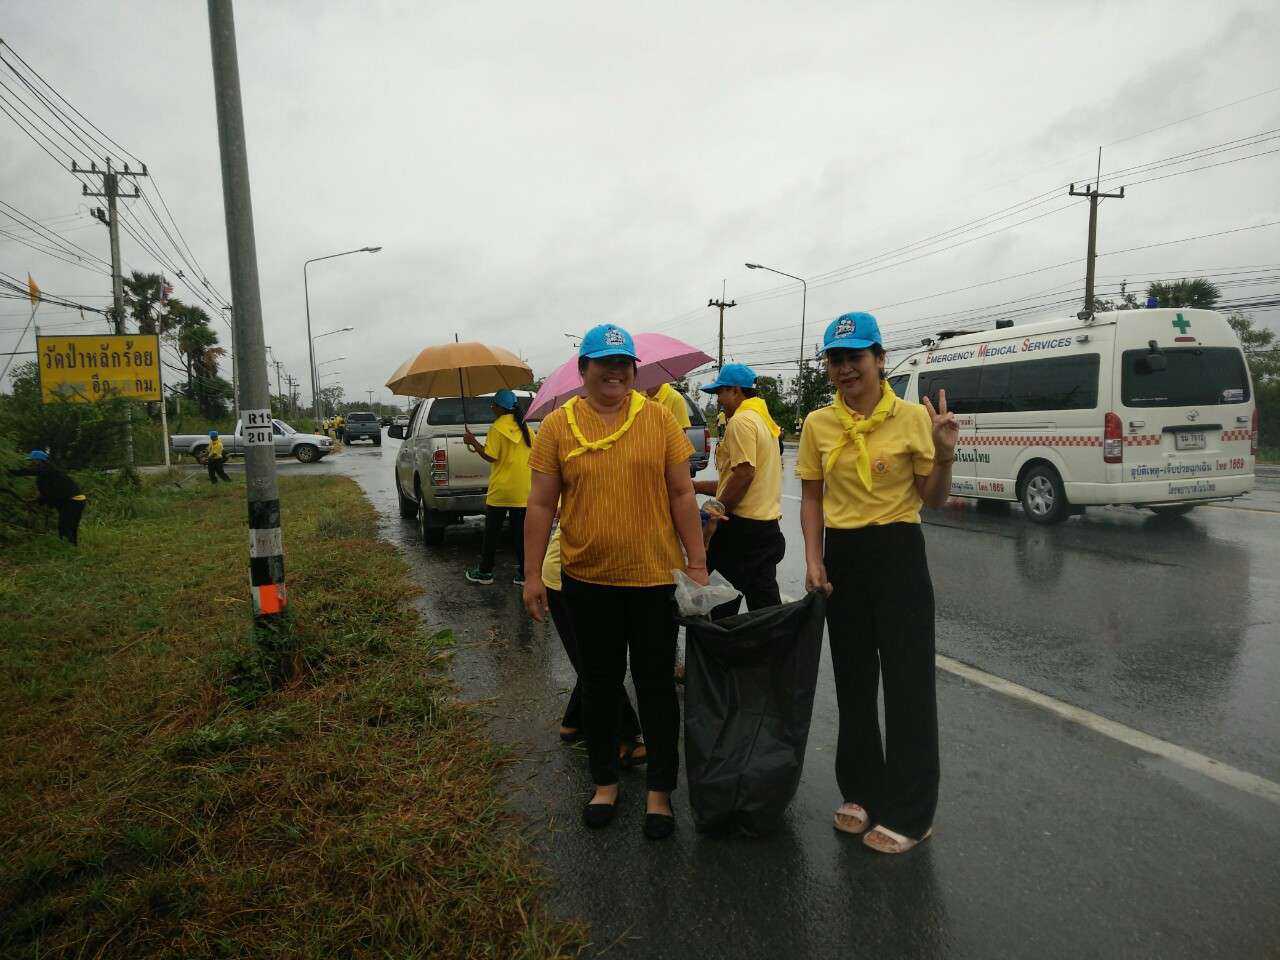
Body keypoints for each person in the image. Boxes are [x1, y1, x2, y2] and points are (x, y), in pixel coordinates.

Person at [523, 322, 706, 841]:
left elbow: (681, 494)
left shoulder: (659, 420)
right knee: (600, 686)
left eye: (624, 363)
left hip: (652, 580)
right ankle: (604, 782)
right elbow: (541, 503)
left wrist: (696, 563)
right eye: (604, 363)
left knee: (655, 687)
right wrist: (532, 575)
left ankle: (659, 792)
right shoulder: (558, 427)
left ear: (634, 370)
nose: (615, 372)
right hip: (587, 581)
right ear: (583, 370)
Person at [798, 311, 957, 855]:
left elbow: (934, 499)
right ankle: (862, 791)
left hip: (898, 553)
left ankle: (913, 812)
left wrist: (945, 455)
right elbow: (812, 497)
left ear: (880, 359)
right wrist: (814, 559)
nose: (846, 369)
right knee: (854, 680)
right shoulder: (819, 424)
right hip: (844, 557)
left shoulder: (912, 418)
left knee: (909, 685)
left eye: (856, 357)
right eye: (836, 360)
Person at [543, 525, 646, 766]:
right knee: (600, 665)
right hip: (572, 579)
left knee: (592, 659)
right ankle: (626, 735)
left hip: (603, 577)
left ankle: (573, 721)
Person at [693, 363, 785, 613]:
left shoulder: (741, 422)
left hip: (741, 529)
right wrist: (696, 486)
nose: (718, 400)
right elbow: (736, 480)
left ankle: (720, 638)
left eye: (720, 392)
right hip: (766, 529)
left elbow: (744, 474)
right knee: (764, 607)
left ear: (735, 390)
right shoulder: (763, 420)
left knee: (719, 601)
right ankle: (770, 638)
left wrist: (717, 511)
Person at [463, 389, 534, 585]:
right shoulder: (526, 428)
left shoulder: (497, 428)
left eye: (493, 404)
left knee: (492, 533)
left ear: (501, 407)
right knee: (521, 535)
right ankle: (524, 574)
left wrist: (473, 442)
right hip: (522, 490)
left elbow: (490, 456)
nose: (491, 407)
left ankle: (485, 572)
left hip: (501, 490)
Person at [9, 449, 87, 545]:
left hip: (73, 501)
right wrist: (35, 500)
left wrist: (11, 472)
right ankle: (71, 547)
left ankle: (67, 547)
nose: (30, 463)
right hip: (73, 501)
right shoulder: (45, 475)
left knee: (65, 526)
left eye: (32, 461)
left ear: (39, 461)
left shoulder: (48, 470)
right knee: (70, 527)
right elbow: (48, 492)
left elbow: (30, 472)